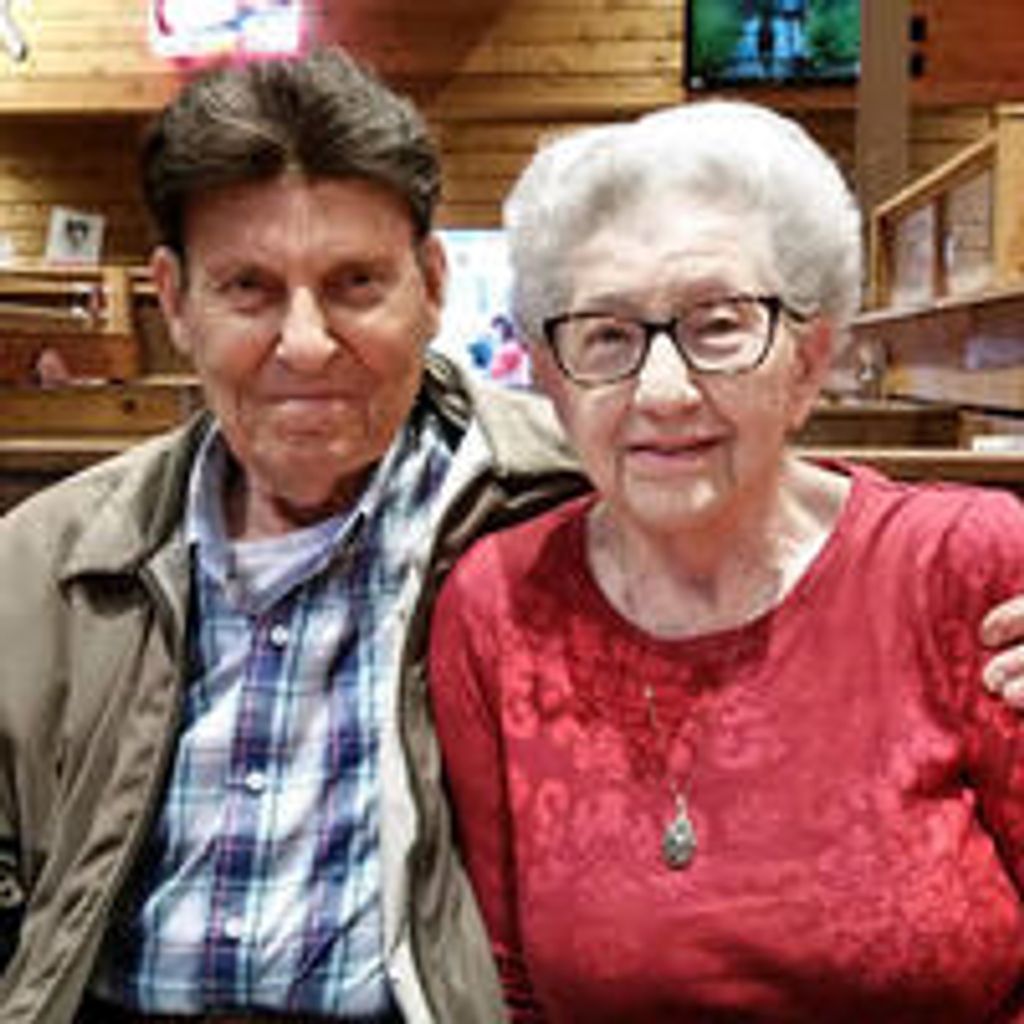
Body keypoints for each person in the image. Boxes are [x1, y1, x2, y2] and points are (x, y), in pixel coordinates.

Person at [0, 47, 587, 1023]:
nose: (306, 345)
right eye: (249, 287)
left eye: (355, 282)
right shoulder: (41, 561)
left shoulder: (559, 511)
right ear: (175, 300)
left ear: (431, 284)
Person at [429, 101, 1024, 1023]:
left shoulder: (962, 569)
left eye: (718, 325)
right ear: (550, 376)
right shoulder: (499, 605)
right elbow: (506, 988)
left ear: (808, 361)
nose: (663, 392)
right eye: (606, 335)